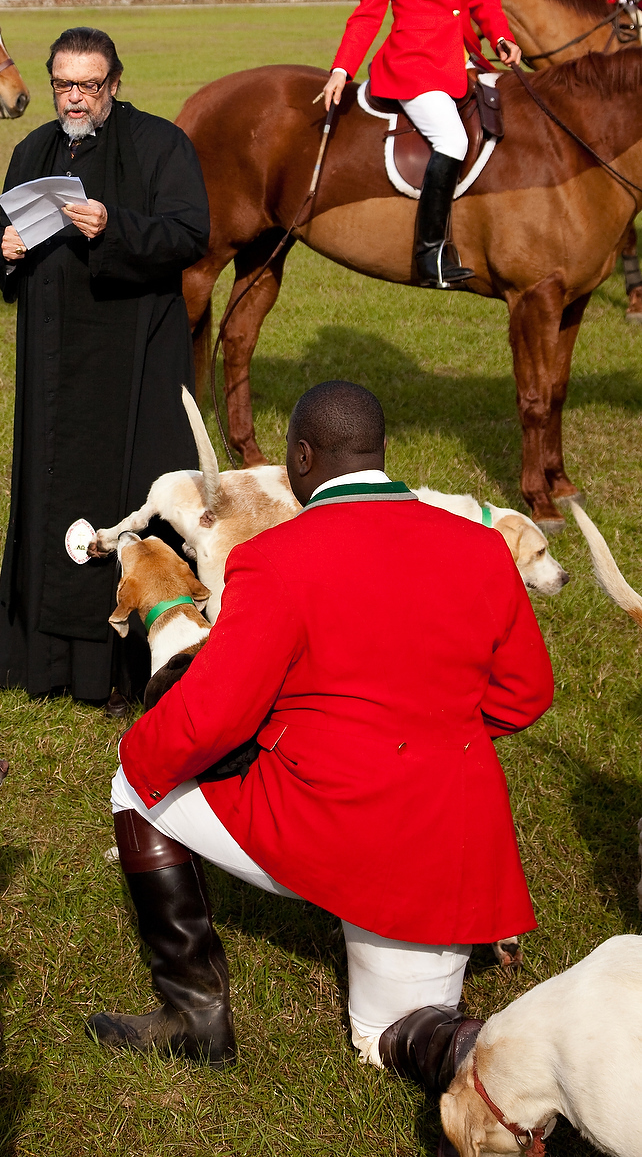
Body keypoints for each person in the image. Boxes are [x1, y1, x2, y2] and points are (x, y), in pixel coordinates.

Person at [88, 379, 552, 1113]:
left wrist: (137, 753)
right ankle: (522, 1053)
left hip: (332, 824)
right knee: (391, 1037)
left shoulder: (275, 558)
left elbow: (209, 720)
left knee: (136, 778)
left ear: (303, 457)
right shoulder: (479, 546)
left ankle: (193, 1016)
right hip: (453, 843)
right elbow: (527, 692)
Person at [0, 27, 210, 713]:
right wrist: (4, 246)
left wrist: (114, 227)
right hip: (54, 370)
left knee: (133, 502)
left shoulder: (162, 145)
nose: (74, 97)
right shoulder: (34, 150)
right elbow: (1, 236)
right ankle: (48, 663)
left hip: (132, 363)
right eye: (63, 84)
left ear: (114, 83)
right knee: (52, 503)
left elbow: (189, 233)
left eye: (89, 84)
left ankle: (133, 670)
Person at [323, 0, 522, 289]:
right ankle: (429, 255)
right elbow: (369, 11)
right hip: (412, 67)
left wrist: (502, 36)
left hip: (462, 58)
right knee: (451, 140)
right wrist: (341, 68)